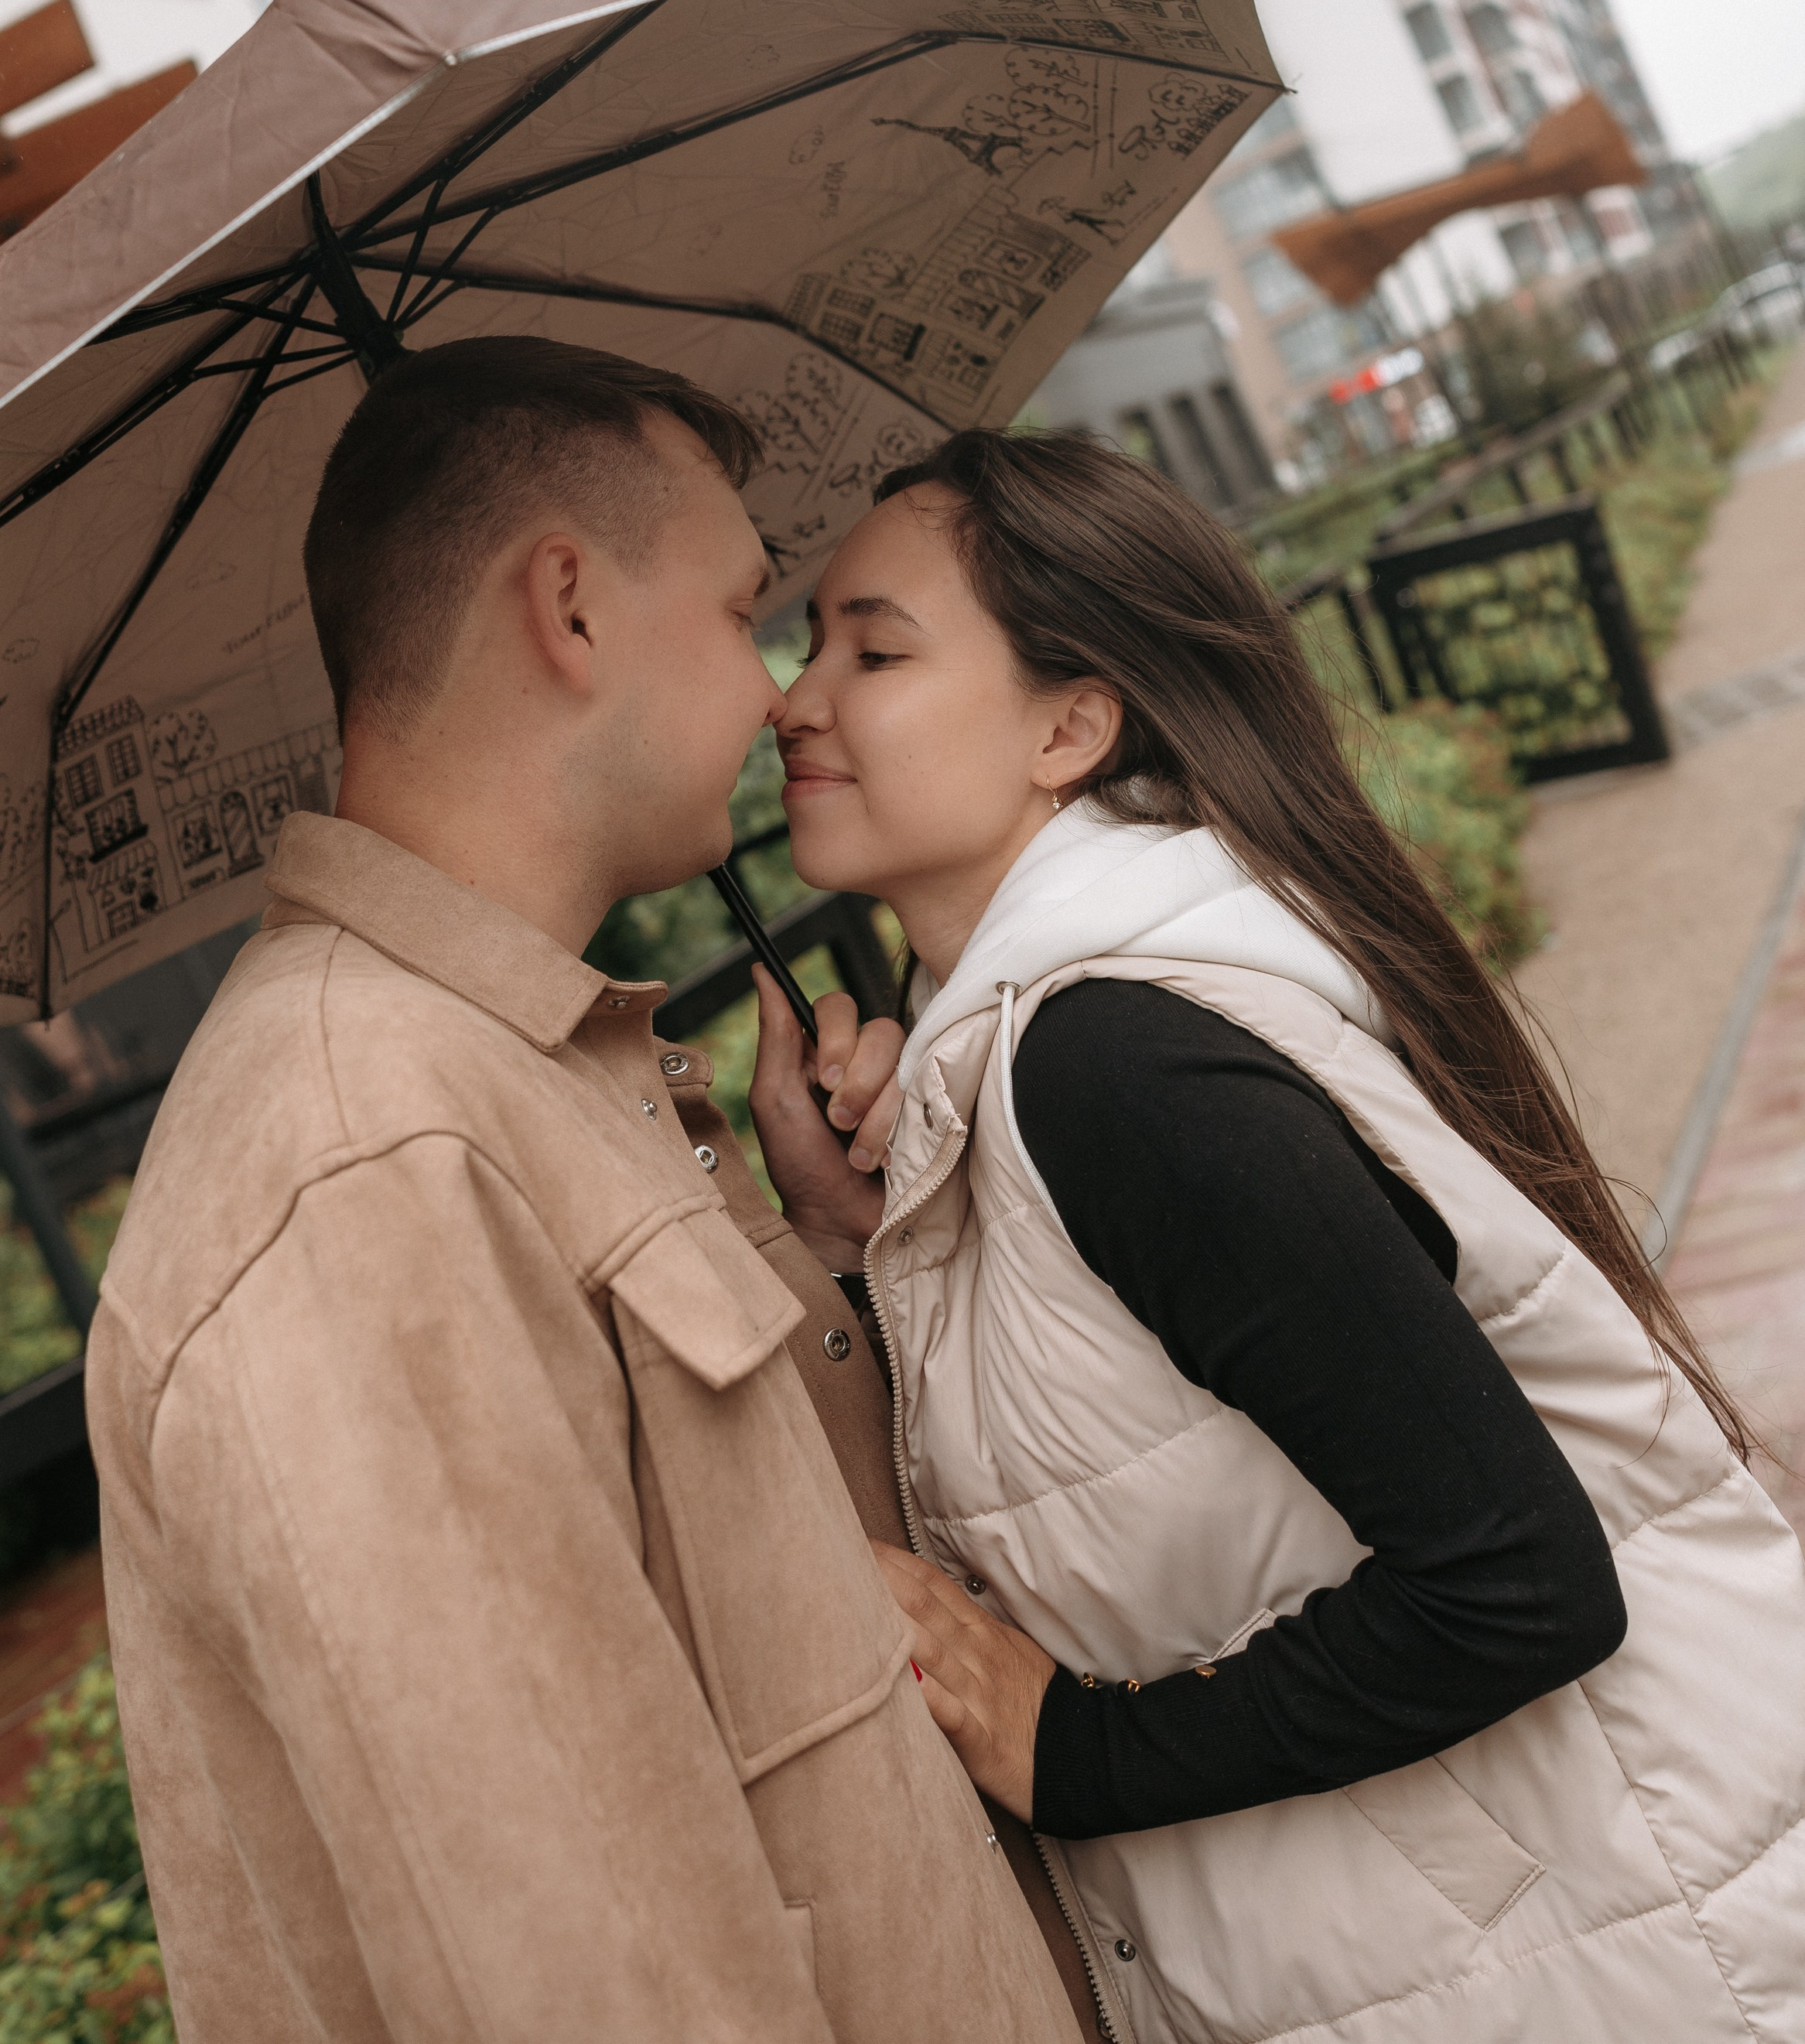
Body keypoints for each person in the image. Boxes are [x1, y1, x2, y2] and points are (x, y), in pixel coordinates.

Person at [749, 425, 1805, 2044]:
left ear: (1072, 724)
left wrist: (1076, 1752)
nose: (793, 697)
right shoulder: (1043, 1062)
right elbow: (1110, 1496)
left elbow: (1518, 1585)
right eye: (808, 639)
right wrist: (870, 1243)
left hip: (1633, 1971)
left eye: (873, 647)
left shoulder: (1119, 1067)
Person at [87, 340, 1086, 2044]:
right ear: (568, 604)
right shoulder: (360, 1157)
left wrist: (843, 1253)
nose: (778, 688)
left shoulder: (503, 1068)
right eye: (739, 607)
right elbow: (572, 1964)